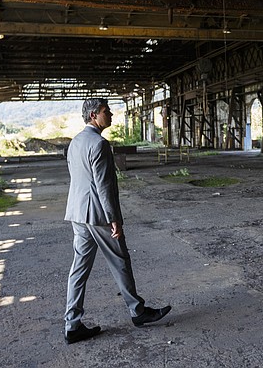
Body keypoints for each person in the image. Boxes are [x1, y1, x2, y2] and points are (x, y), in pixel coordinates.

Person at [63, 98, 171, 344]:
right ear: (93, 116)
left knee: (78, 269)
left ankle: (72, 324)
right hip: (98, 215)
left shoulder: (75, 142)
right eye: (105, 111)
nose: (110, 114)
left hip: (78, 213)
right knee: (120, 260)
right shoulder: (99, 144)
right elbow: (103, 186)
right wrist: (114, 219)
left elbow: (77, 178)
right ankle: (137, 311)